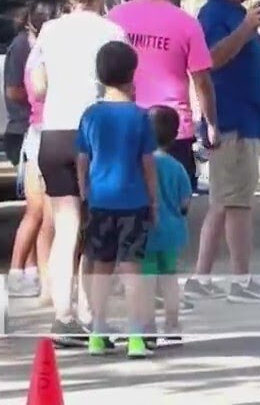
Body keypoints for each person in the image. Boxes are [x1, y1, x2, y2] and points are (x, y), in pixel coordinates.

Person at [28, 0, 127, 342]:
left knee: (66, 226)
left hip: (53, 135)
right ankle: (91, 313)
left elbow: (37, 88)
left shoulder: (49, 31)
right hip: (95, 133)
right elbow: (120, 88)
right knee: (96, 228)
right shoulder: (113, 32)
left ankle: (63, 315)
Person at [185, 0, 260, 304]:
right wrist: (247, 28)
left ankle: (200, 276)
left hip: (245, 117)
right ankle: (242, 282)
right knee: (238, 204)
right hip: (231, 120)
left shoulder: (237, 12)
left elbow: (246, 56)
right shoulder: (215, 14)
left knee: (222, 201)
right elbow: (209, 60)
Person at [108, 0, 220, 194]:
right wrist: (211, 123)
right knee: (171, 205)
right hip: (172, 131)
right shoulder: (187, 23)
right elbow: (201, 81)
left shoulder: (115, 17)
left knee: (129, 205)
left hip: (123, 123)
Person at [78, 41, 159, 359]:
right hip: (133, 202)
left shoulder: (91, 116)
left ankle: (98, 332)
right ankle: (136, 337)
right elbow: (148, 164)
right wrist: (153, 200)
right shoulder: (140, 118)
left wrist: (84, 190)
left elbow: (83, 158)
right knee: (133, 269)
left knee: (100, 267)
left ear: (100, 75)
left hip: (100, 201)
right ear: (132, 74)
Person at [4, 0, 65, 299]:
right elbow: (34, 92)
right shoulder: (40, 54)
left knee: (39, 212)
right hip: (43, 134)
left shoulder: (34, 51)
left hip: (35, 134)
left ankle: (29, 273)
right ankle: (35, 275)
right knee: (46, 214)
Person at [141, 105, 193, 348]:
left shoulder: (141, 166)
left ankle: (147, 328)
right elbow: (185, 203)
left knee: (147, 280)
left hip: (147, 233)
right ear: (175, 135)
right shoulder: (177, 167)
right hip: (172, 232)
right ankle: (172, 325)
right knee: (170, 279)